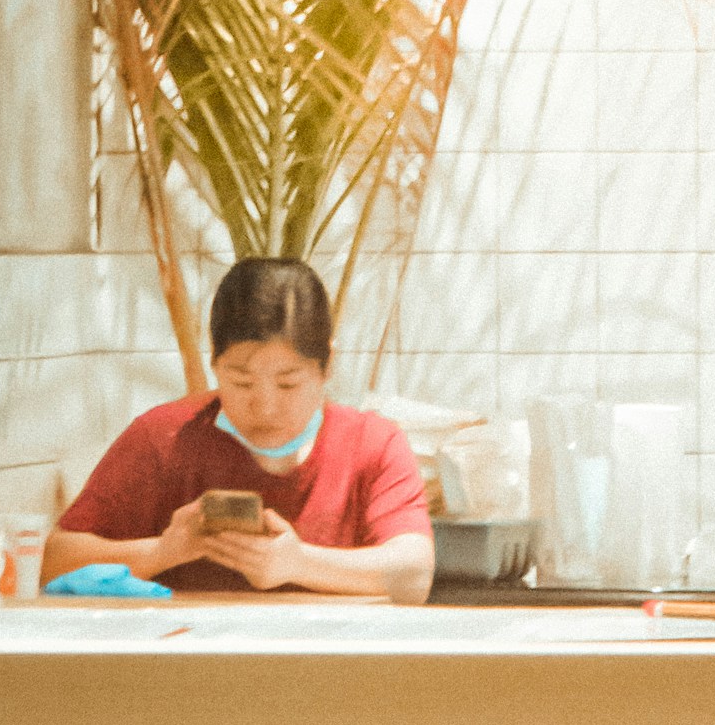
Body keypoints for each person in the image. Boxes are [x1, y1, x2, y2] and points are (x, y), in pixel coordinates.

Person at [42, 256, 435, 604]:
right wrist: (162, 551)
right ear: (213, 361)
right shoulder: (163, 439)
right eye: (241, 381)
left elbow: (414, 573)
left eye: (288, 384)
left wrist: (298, 564)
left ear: (327, 365)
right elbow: (51, 561)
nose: (264, 407)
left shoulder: (372, 444)